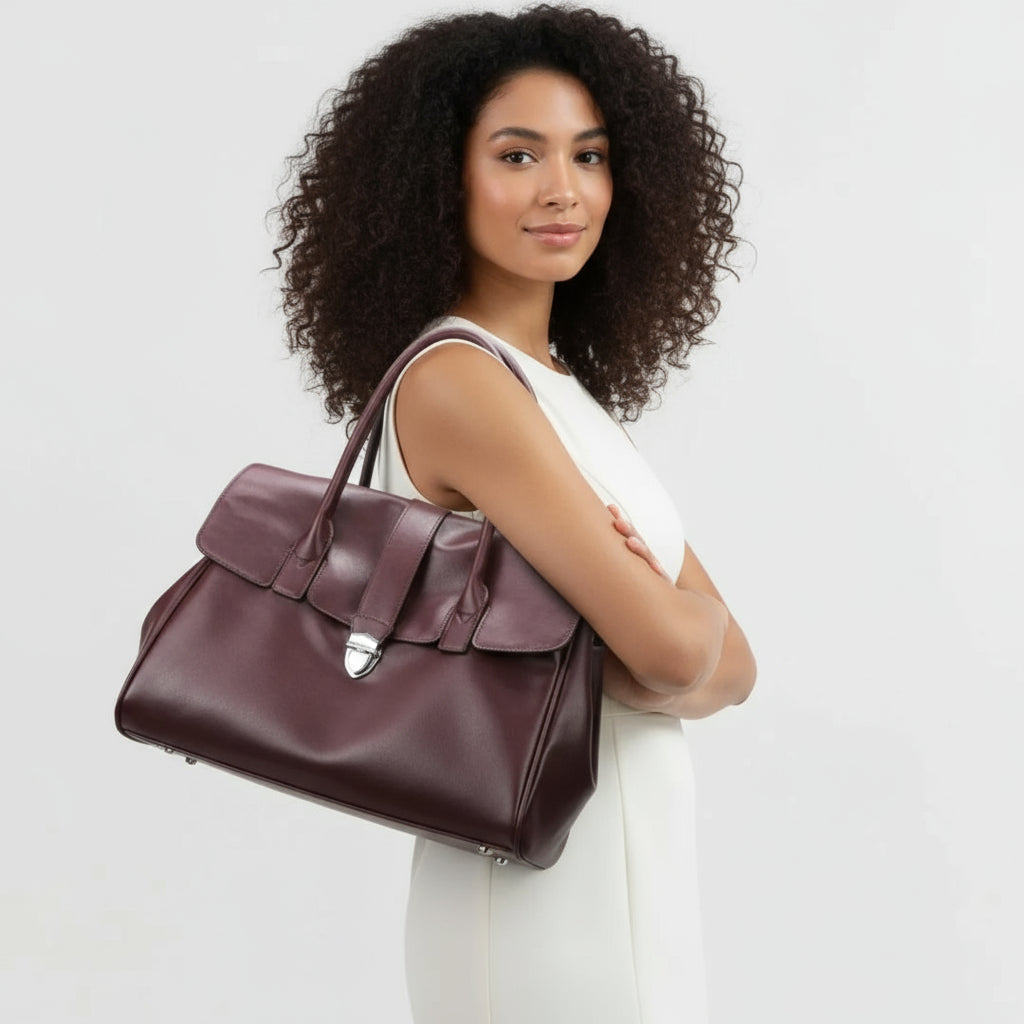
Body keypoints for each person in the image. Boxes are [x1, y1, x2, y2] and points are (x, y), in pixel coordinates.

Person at [272, 5, 756, 1021]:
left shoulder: (558, 390)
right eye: (517, 154)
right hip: (539, 902)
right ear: (436, 179)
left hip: (634, 874)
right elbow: (680, 655)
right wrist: (665, 629)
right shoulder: (462, 381)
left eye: (590, 155)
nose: (562, 189)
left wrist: (660, 638)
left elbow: (735, 669)